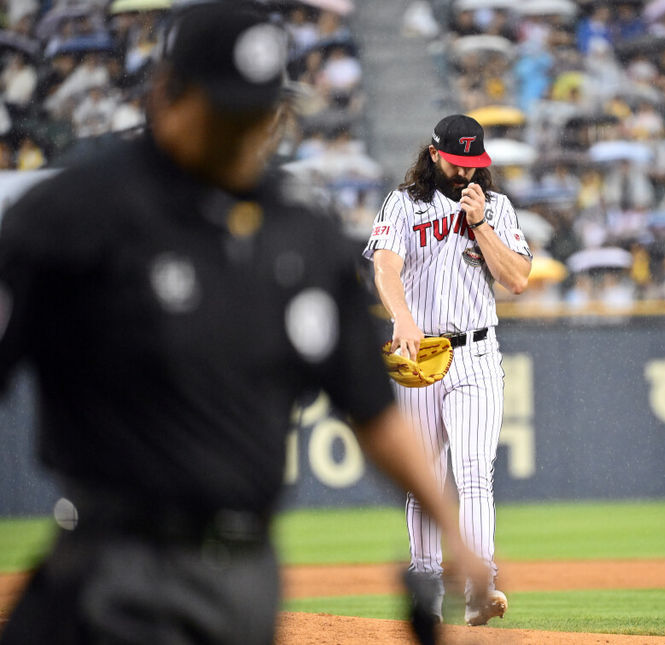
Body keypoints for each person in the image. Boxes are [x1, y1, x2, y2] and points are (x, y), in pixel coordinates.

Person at [0, 4, 488, 644]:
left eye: (259, 108)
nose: (245, 127)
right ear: (165, 92)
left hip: (247, 577)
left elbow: (371, 408)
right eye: (225, 107)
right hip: (115, 570)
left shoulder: (300, 233)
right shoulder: (74, 215)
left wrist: (451, 531)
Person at [364, 114, 532, 626]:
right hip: (421, 355)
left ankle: (482, 586)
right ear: (435, 155)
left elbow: (518, 279)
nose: (466, 174)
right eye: (457, 164)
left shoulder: (494, 207)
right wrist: (404, 317)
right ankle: (428, 585)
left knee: (474, 472)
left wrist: (480, 223)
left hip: (478, 354)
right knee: (426, 479)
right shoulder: (405, 202)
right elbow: (384, 266)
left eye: (473, 165)